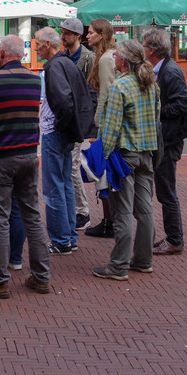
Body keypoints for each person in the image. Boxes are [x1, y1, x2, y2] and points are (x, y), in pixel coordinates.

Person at [0, 35, 52, 299]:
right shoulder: (33, 80)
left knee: (0, 217)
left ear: (2, 53)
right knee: (32, 216)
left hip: (1, 157)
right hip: (29, 154)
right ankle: (41, 277)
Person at [92, 40, 160, 283]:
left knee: (122, 211)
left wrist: (104, 156)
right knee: (145, 209)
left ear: (123, 61)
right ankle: (143, 260)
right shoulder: (151, 84)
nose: (114, 58)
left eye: (117, 55)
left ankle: (118, 264)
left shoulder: (120, 86)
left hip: (125, 155)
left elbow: (111, 128)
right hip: (146, 153)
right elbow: (156, 120)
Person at [35, 26, 95, 255]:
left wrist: (59, 126)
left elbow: (64, 101)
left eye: (38, 44)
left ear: (47, 45)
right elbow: (82, 96)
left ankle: (61, 239)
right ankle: (68, 236)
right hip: (65, 133)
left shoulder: (54, 66)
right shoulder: (67, 63)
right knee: (65, 184)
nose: (36, 48)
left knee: (53, 188)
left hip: (56, 133)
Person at [142, 28, 187, 256]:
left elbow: (183, 103)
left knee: (166, 192)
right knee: (164, 191)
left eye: (143, 46)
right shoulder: (163, 69)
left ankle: (174, 240)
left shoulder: (170, 72)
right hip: (166, 138)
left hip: (169, 140)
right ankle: (172, 238)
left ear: (151, 50)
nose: (142, 49)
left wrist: (156, 111)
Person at [58, 17, 95, 232]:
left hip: (79, 119)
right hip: (66, 118)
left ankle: (82, 211)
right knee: (67, 164)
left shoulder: (88, 58)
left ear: (78, 36)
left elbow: (91, 91)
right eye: (62, 33)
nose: (63, 37)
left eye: (67, 34)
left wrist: (90, 123)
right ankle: (75, 208)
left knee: (72, 164)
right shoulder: (63, 56)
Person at [83, 19, 118, 239]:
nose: (87, 36)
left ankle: (110, 222)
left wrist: (98, 125)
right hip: (108, 121)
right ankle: (110, 220)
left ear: (102, 35)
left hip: (105, 124)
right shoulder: (107, 56)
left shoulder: (106, 59)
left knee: (102, 171)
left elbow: (106, 94)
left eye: (91, 32)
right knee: (104, 172)